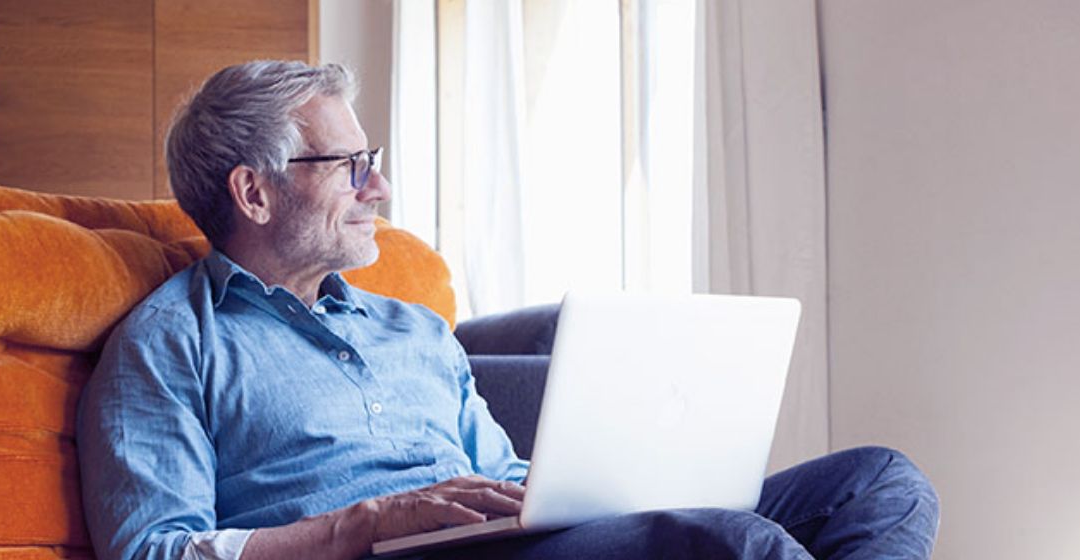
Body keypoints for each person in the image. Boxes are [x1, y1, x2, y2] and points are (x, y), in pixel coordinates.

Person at [77, 60, 940, 560]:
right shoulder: (170, 344)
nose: (379, 186)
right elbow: (157, 551)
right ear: (253, 192)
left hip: (509, 538)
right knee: (729, 545)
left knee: (880, 485)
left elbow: (503, 470)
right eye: (351, 165)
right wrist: (359, 525)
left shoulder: (411, 329)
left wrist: (610, 483)